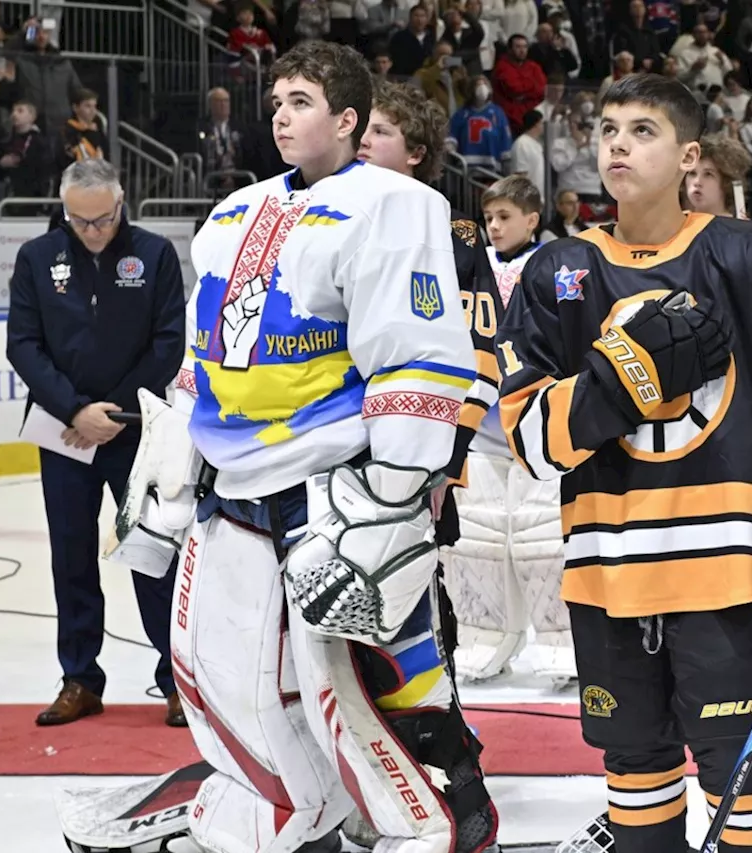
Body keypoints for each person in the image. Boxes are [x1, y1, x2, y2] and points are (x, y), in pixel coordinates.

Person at [119, 41, 493, 853]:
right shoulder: (232, 212)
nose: (281, 115)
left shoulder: (395, 204)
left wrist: (392, 499)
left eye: (301, 101)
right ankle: (292, 815)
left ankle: (428, 821)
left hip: (329, 488)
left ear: (348, 119)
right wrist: (168, 479)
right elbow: (201, 359)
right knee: (221, 673)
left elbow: (415, 353)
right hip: (231, 485)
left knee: (367, 688)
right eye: (278, 101)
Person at [495, 72, 752, 853]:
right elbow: (526, 438)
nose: (617, 142)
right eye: (608, 129)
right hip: (608, 575)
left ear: (690, 155)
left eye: (642, 130)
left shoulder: (749, 256)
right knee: (635, 769)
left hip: (728, 576)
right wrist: (621, 382)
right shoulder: (559, 272)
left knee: (742, 775)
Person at [350, 76, 504, 852]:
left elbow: (480, 357)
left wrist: (445, 460)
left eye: (379, 131)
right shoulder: (332, 217)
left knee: (414, 612)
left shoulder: (453, 237)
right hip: (338, 462)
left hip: (419, 465)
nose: (364, 141)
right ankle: (358, 760)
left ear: (414, 151)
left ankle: (453, 762)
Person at [6, 159, 186, 727]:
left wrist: (112, 409)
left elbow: (168, 343)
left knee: (153, 556)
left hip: (135, 431)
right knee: (71, 557)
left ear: (121, 201)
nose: (92, 232)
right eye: (79, 222)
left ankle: (178, 680)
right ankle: (80, 678)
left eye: (102, 220)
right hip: (64, 434)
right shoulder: (38, 259)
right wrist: (76, 410)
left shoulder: (154, 254)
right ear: (64, 211)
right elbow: (24, 346)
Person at [443, 174, 577, 687]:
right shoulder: (466, 265)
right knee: (475, 538)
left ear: (532, 219)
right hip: (481, 424)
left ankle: (561, 638)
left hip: (536, 423)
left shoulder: (557, 263)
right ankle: (483, 633)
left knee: (542, 539)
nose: (494, 226)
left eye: (505, 217)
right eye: (489, 217)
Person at [683, 132, 752, 216]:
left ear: (727, 182)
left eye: (708, 174)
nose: (697, 182)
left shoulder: (737, 227)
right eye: (692, 173)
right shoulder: (674, 224)